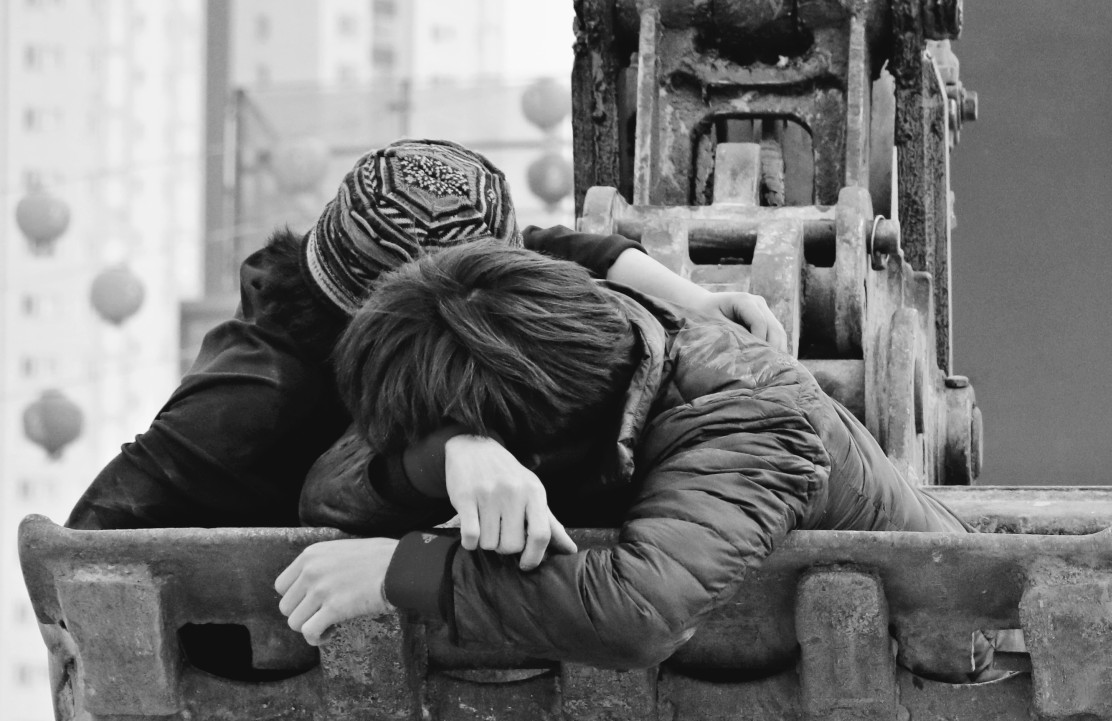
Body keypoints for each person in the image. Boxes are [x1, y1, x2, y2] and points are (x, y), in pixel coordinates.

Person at [65, 138, 785, 561]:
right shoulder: (257, 397)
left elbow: (546, 246)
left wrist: (693, 300)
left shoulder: (425, 226)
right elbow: (94, 535)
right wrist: (453, 449)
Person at [274, 241, 965, 667]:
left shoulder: (745, 419)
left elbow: (640, 613)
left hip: (926, 650)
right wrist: (459, 451)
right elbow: (330, 486)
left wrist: (411, 568)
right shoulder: (538, 341)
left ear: (542, 448)